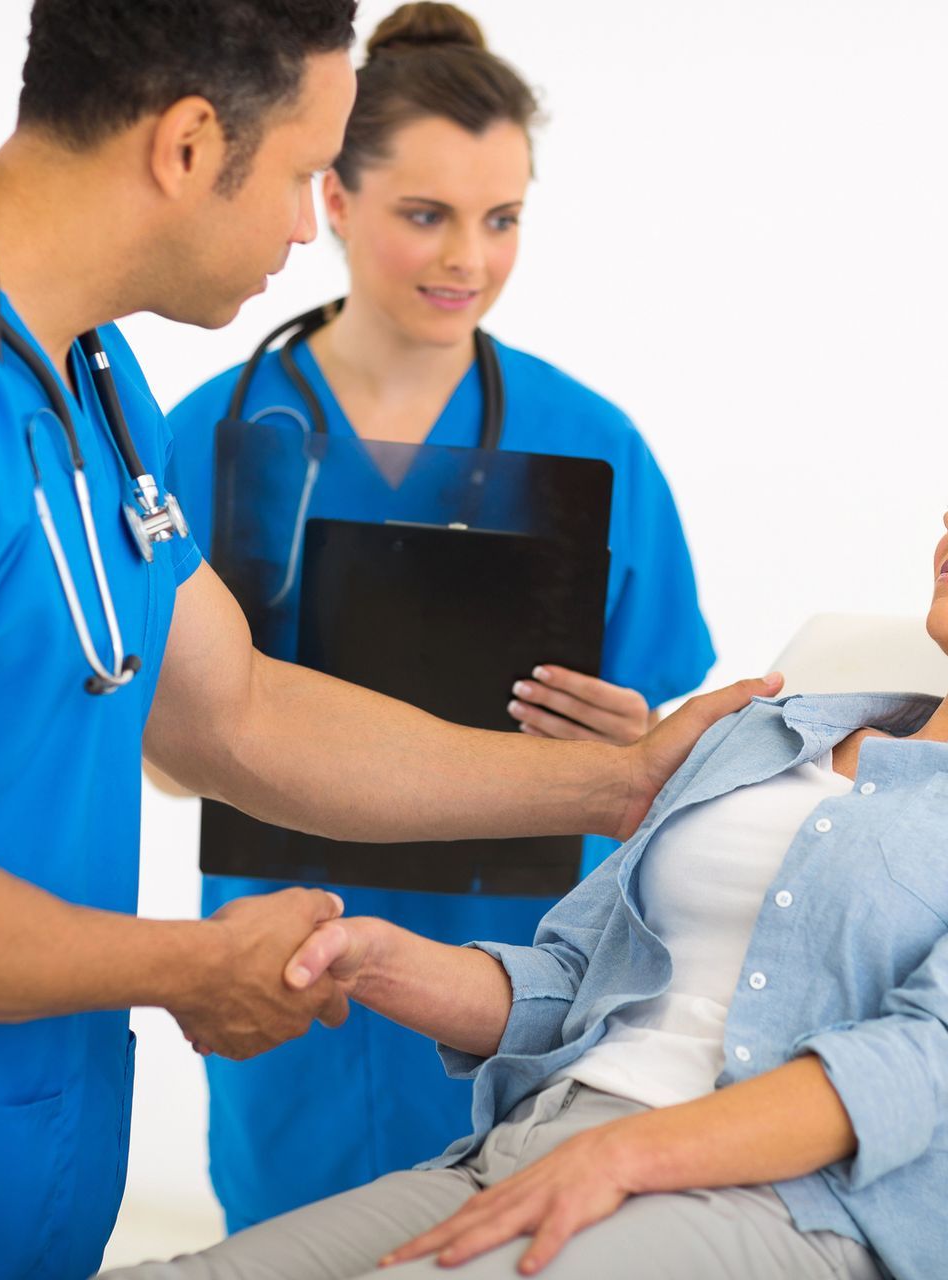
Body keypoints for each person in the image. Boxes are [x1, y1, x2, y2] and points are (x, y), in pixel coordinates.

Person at [0, 3, 771, 1276]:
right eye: (300, 175)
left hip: (0, 1169)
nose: (308, 222)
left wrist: (615, 776)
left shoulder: (90, 377)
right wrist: (186, 965)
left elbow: (231, 710)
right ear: (186, 146)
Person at [108, 395, 948, 1280]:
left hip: (786, 1210)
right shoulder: (765, 735)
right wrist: (374, 952)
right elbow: (566, 983)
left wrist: (632, 1154)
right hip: (538, 1145)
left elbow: (925, 1064)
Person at [163, 2, 716, 1228]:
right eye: (427, 214)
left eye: (502, 217)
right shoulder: (202, 437)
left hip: (512, 976)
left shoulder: (594, 446)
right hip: (291, 961)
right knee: (288, 1243)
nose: (470, 256)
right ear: (337, 202)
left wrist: (627, 742)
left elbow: (664, 773)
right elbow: (152, 734)